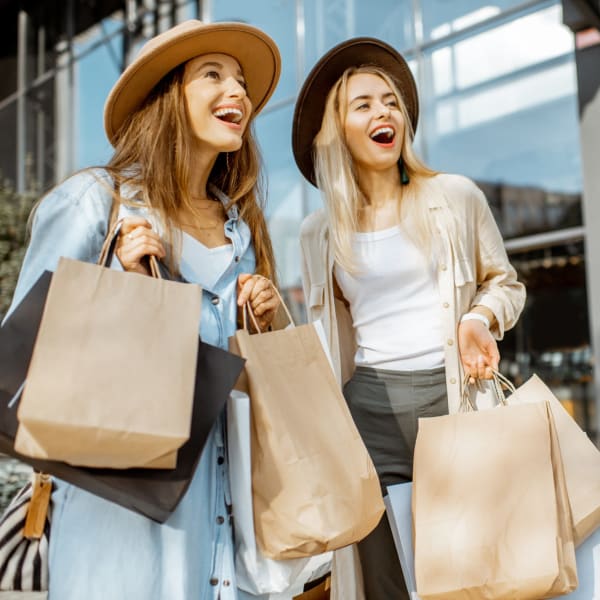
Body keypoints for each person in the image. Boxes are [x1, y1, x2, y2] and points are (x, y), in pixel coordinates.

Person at [6, 19, 282, 600]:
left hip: (226, 525)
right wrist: (119, 284)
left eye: (241, 82)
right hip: (122, 527)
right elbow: (24, 362)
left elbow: (250, 384)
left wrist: (269, 321)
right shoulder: (94, 201)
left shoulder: (242, 231)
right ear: (166, 97)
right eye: (213, 75)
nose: (239, 92)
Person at [292, 37, 526, 599]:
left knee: (473, 572)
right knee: (385, 580)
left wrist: (478, 320)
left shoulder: (454, 197)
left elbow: (506, 284)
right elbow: (330, 334)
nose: (384, 113)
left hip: (455, 400)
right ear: (339, 130)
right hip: (366, 412)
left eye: (391, 101)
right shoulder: (318, 233)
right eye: (365, 105)